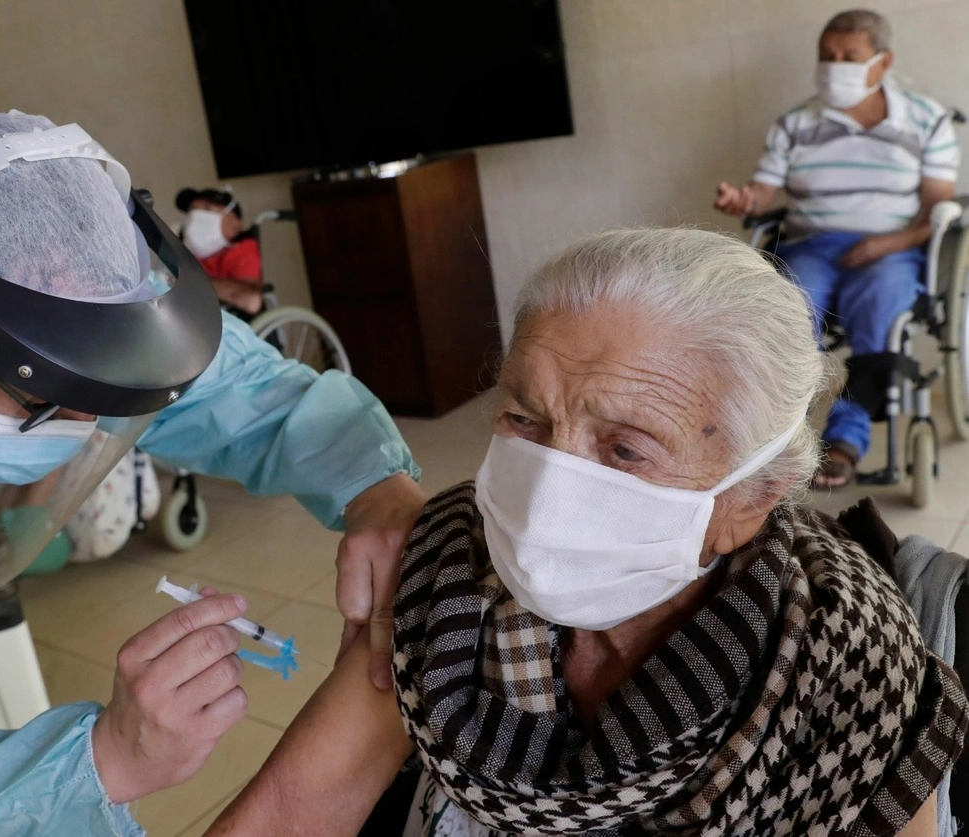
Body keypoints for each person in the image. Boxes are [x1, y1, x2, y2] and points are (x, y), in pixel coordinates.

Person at [208, 228, 968, 837]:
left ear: (751, 499)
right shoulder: (443, 572)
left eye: (626, 450)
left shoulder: (848, 668)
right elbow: (290, 811)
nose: (547, 490)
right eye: (523, 418)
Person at [0, 111, 425, 834]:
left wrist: (376, 485)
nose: (85, 424)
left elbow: (240, 388)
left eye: (99, 388)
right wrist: (108, 757)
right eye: (41, 396)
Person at [713, 8, 960, 489]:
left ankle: (847, 438)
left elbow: (936, 209)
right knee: (788, 306)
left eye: (850, 57)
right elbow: (763, 192)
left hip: (892, 249)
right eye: (827, 56)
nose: (835, 66)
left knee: (881, 301)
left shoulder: (926, 120)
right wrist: (744, 200)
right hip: (812, 244)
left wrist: (885, 244)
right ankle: (784, 439)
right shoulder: (794, 124)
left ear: (883, 62)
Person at [176, 186, 264, 317]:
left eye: (207, 209)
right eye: (192, 211)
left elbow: (251, 301)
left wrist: (192, 281)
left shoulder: (241, 250)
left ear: (236, 225)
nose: (196, 218)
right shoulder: (188, 254)